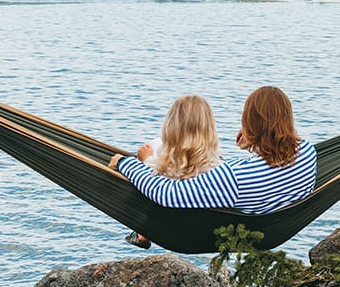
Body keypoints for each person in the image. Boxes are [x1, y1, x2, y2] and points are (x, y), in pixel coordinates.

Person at [109, 86, 317, 235]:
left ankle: (142, 231)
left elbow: (167, 194)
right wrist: (255, 143)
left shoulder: (232, 177)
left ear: (249, 122)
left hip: (230, 228)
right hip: (279, 225)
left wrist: (128, 163)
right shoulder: (307, 151)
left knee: (165, 164)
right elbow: (273, 169)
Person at [120, 94, 222, 248]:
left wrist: (144, 160)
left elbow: (147, 181)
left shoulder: (162, 163)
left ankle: (143, 231)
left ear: (171, 126)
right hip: (201, 227)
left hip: (167, 221)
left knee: (139, 182)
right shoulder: (217, 168)